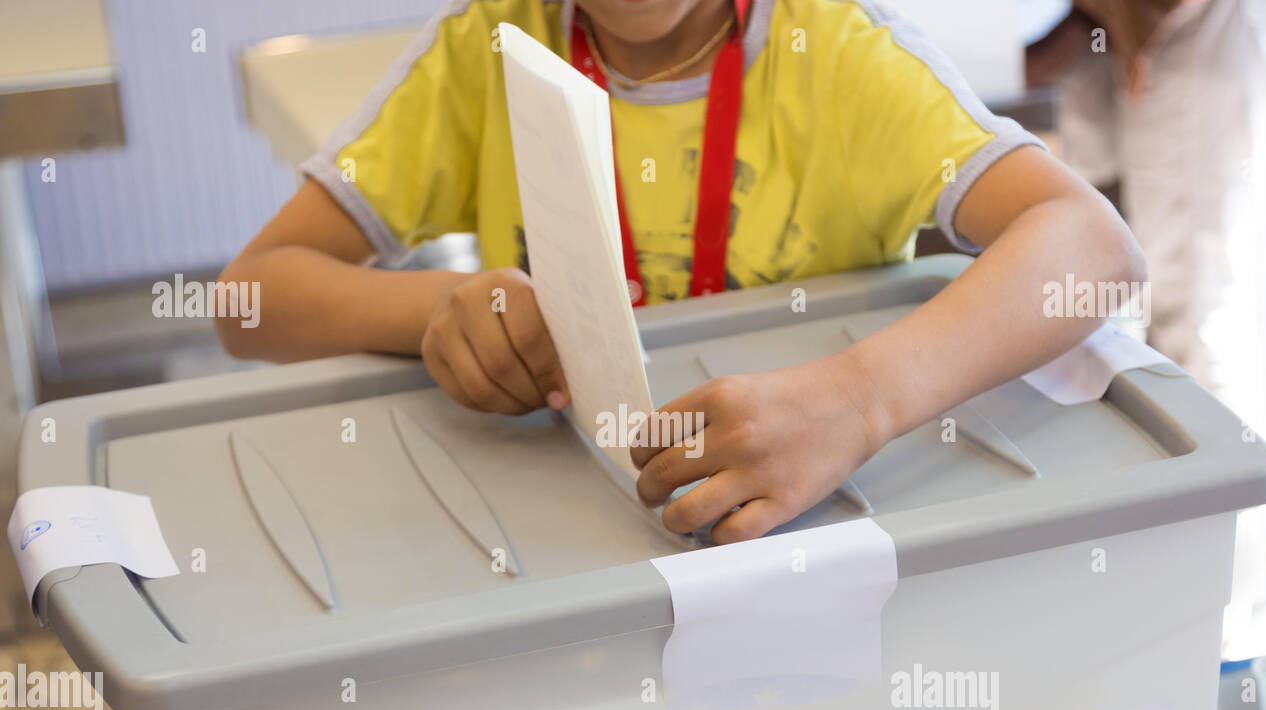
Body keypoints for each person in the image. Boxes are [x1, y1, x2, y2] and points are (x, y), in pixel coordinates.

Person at [217, 0, 1145, 544]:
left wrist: (860, 398)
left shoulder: (838, 55)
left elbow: (1092, 246)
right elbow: (250, 300)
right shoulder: (489, 46)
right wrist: (437, 307)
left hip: (805, 541)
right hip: (565, 538)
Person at [1029, 0, 1266, 657]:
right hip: (1110, 26)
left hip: (1184, 24)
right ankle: (1191, 613)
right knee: (1139, 306)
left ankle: (1213, 632)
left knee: (1199, 309)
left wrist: (1140, 20)